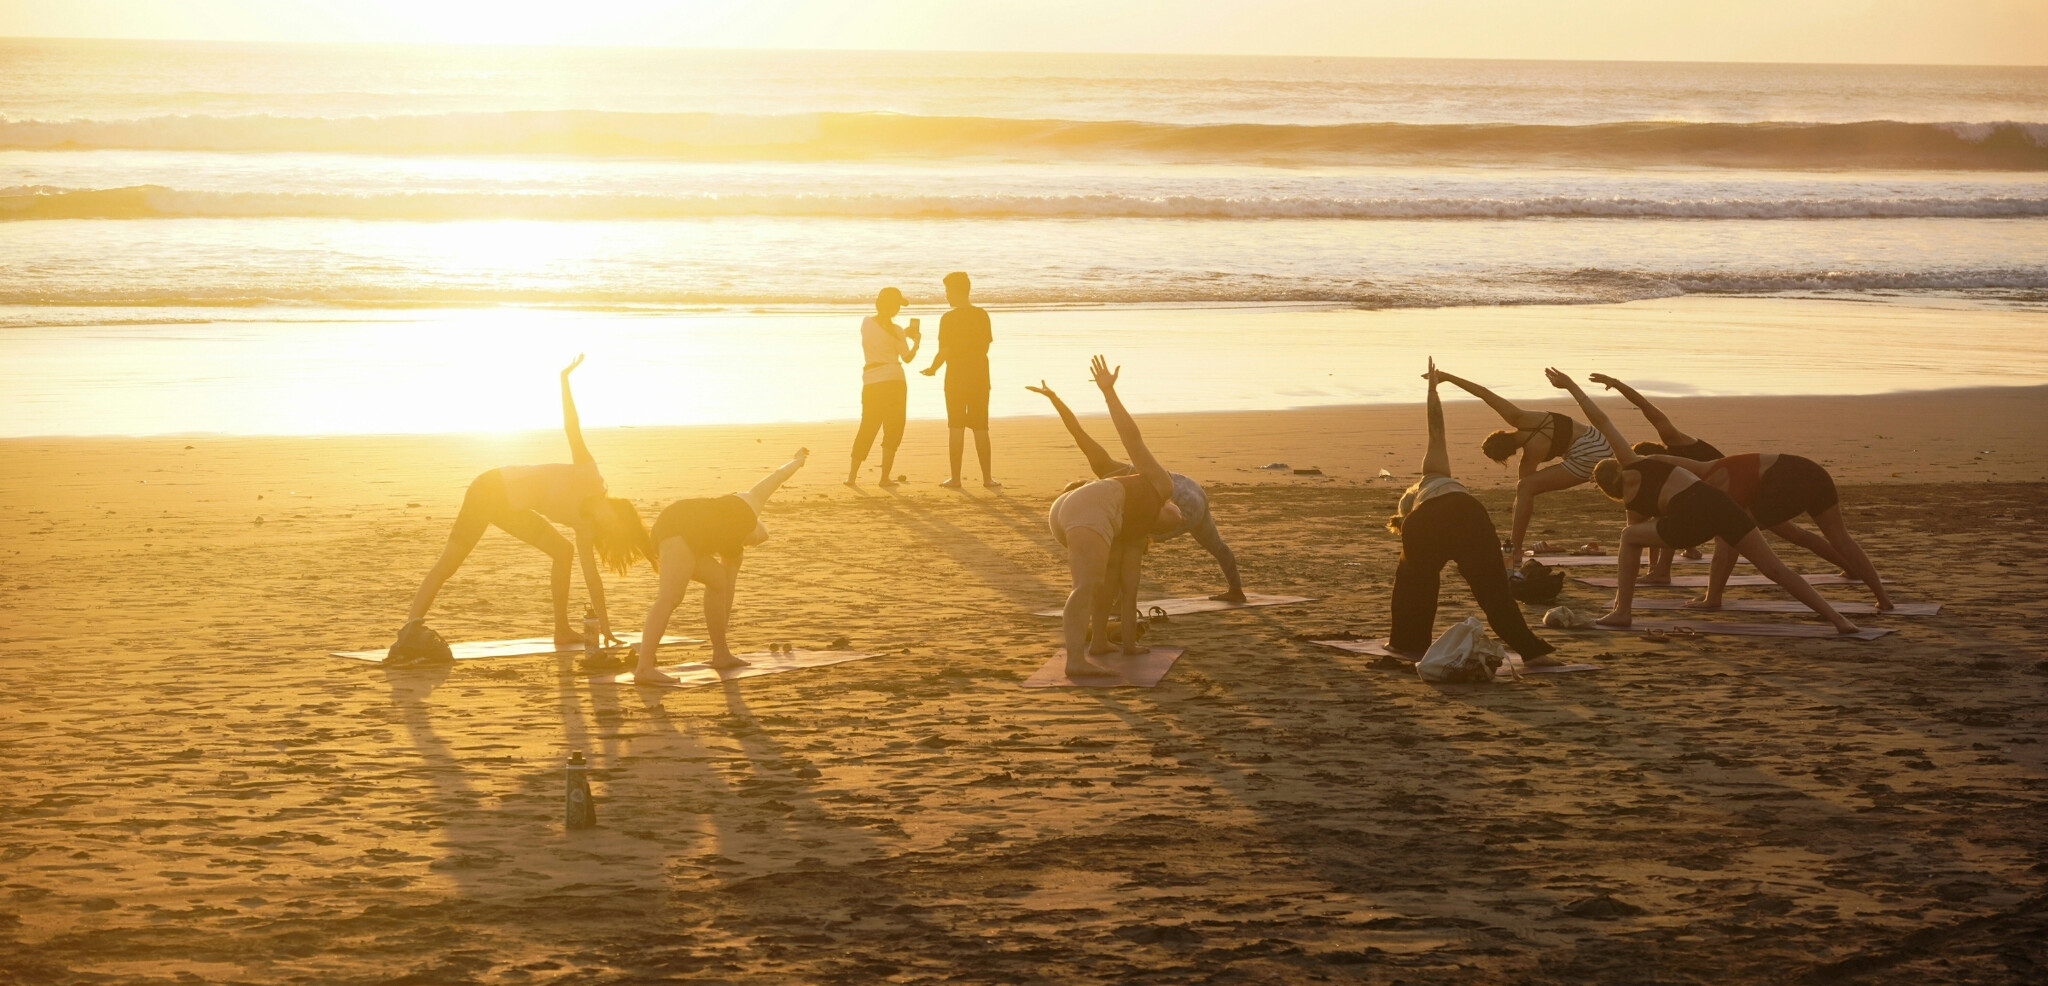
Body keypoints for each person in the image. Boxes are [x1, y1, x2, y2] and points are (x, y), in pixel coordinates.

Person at [1548, 368, 1859, 634]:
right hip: (1724, 505)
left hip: (1691, 520)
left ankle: (1622, 612)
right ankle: (1838, 618)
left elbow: (1641, 544)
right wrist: (1573, 386)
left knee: (1628, 537)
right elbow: (1602, 421)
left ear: (1607, 487)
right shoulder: (1634, 461)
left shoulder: (1633, 502)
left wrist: (1654, 570)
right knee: (1775, 569)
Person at [402, 355, 653, 649]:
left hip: (512, 508)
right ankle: (409, 628)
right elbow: (572, 427)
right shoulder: (589, 475)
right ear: (617, 508)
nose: (607, 522)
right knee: (449, 563)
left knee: (563, 551)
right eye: (614, 518)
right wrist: (564, 380)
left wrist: (606, 627)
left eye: (611, 528)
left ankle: (561, 630)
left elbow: (592, 577)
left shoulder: (586, 527)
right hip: (490, 488)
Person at [1388, 360, 1561, 664]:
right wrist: (1433, 391)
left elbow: (1435, 430)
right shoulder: (1433, 476)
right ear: (1412, 493)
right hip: (1465, 513)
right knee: (1494, 592)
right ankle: (1532, 653)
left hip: (1423, 524)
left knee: (1413, 586)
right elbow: (1436, 430)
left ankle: (1408, 643)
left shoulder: (1419, 506)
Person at [1026, 379, 1245, 602]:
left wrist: (1055, 399)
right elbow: (1078, 433)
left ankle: (1121, 600)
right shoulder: (1106, 470)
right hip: (1190, 488)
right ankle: (1236, 590)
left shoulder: (1105, 492)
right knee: (1215, 544)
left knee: (1124, 545)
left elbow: (1078, 433)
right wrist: (1055, 399)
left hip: (1172, 499)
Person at [1046, 356, 1183, 677]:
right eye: (1178, 510)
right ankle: (1075, 661)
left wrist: (1130, 644)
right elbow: (1132, 439)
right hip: (1085, 507)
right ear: (1165, 508)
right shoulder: (1160, 485)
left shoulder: (1133, 532)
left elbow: (1130, 589)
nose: (1180, 512)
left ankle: (1099, 644)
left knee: (1101, 584)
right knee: (1086, 586)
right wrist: (1109, 394)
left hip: (1077, 514)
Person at [631, 449, 809, 685]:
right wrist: (799, 461)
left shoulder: (732, 543)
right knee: (670, 597)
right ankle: (644, 668)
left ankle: (721, 655)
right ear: (756, 527)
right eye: (753, 540)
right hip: (677, 527)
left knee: (716, 580)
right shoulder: (752, 502)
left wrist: (722, 642)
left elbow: (725, 593)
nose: (749, 544)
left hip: (680, 532)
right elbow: (778, 476)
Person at [1657, 452, 1896, 612]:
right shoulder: (1719, 468)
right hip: (1813, 473)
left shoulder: (1721, 482)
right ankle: (1883, 599)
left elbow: (1726, 546)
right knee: (1841, 540)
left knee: (1729, 538)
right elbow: (1660, 459)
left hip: (1784, 480)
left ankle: (1713, 599)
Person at [1432, 368, 1613, 571]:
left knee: (1525, 488)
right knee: (1525, 488)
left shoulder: (1529, 459)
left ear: (1507, 456)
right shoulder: (1520, 417)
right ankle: (1513, 547)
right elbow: (1483, 392)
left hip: (1588, 457)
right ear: (1501, 433)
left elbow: (1523, 492)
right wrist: (1446, 377)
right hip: (1599, 438)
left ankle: (1514, 550)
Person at [1588, 373, 1725, 580]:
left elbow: (1648, 409)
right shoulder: (1664, 473)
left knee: (1668, 512)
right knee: (1666, 508)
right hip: (1704, 495)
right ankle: (1664, 565)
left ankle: (1661, 570)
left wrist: (1617, 384)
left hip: (1727, 482)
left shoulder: (1675, 441)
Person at [921, 271, 999, 490]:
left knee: (956, 427)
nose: (946, 295)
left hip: (955, 378)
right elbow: (985, 347)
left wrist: (933, 368)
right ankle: (987, 478)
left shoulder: (948, 318)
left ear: (956, 291)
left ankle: (955, 479)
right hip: (980, 377)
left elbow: (944, 351)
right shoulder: (981, 315)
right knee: (981, 427)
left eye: (947, 291)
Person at [847, 287, 921, 488]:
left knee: (868, 426)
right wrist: (916, 342)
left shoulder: (866, 323)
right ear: (894, 307)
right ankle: (884, 478)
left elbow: (880, 337)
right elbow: (906, 358)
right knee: (893, 427)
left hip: (871, 381)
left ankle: (852, 476)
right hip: (895, 381)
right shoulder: (897, 332)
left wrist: (902, 335)